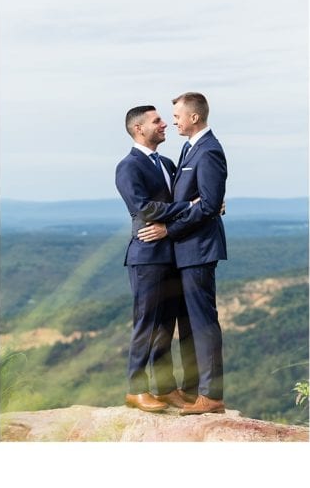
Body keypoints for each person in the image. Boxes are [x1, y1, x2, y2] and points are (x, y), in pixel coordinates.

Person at [138, 92, 228, 415]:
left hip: (199, 250)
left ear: (194, 118)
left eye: (176, 116)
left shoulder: (209, 151)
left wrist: (168, 230)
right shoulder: (190, 150)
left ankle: (211, 395)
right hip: (185, 253)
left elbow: (206, 205)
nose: (172, 121)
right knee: (189, 325)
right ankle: (193, 391)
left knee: (203, 324)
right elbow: (203, 201)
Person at [115, 105, 200, 412]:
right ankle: (135, 389)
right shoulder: (128, 166)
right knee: (146, 323)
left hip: (172, 253)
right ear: (139, 129)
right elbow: (145, 209)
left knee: (166, 325)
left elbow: (187, 196)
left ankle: (164, 388)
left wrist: (208, 203)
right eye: (157, 120)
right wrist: (189, 207)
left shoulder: (165, 162)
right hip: (147, 255)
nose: (165, 124)